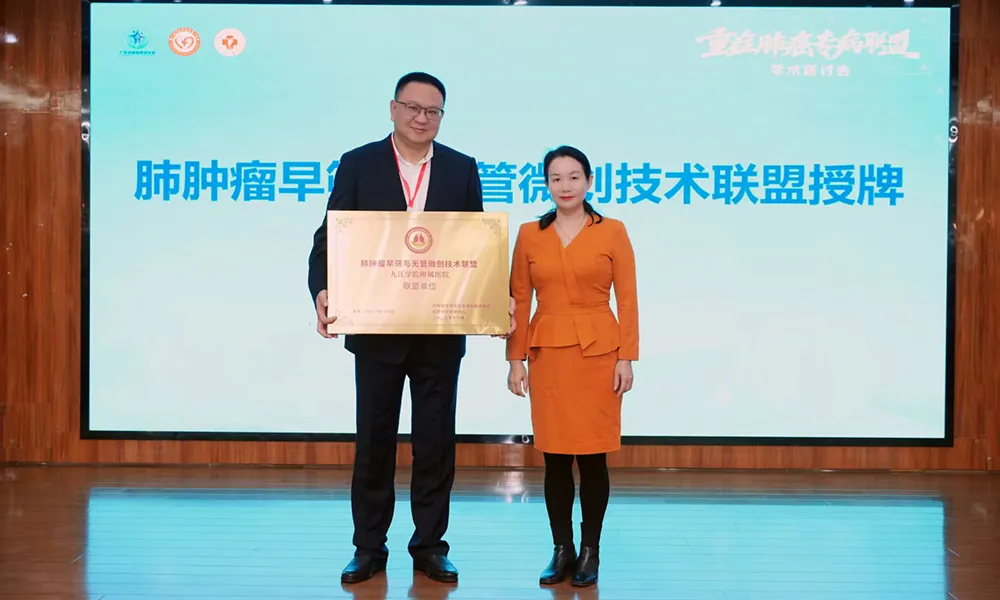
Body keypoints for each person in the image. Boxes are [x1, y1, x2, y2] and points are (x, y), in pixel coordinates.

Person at [307, 72, 513, 585]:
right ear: (393, 109)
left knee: (435, 444)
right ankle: (368, 547)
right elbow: (330, 238)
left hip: (440, 331)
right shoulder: (358, 163)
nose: (422, 118)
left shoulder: (461, 168)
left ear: (442, 116)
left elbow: (474, 246)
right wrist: (322, 291)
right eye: (413, 108)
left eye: (433, 111)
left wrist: (492, 299)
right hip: (376, 330)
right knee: (373, 441)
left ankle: (430, 546)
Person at [505, 145, 639, 587]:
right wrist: (515, 360)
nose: (565, 186)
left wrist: (627, 357)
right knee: (556, 458)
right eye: (556, 178)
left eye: (574, 176)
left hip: (600, 355)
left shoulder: (612, 231)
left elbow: (628, 300)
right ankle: (561, 549)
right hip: (548, 354)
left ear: (589, 182)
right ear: (546, 184)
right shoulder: (530, 234)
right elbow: (519, 299)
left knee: (594, 457)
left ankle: (590, 551)